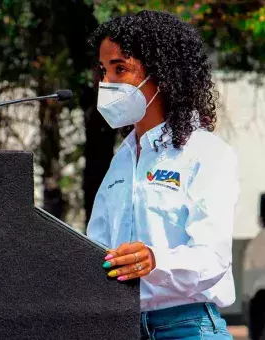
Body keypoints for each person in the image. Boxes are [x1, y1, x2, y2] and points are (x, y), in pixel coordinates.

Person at [86, 10, 239, 340]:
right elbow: (94, 250)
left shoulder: (205, 152)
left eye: (119, 69)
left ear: (162, 74)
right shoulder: (121, 162)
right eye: (103, 70)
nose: (105, 83)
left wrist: (155, 260)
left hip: (188, 327)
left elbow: (213, 259)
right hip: (120, 327)